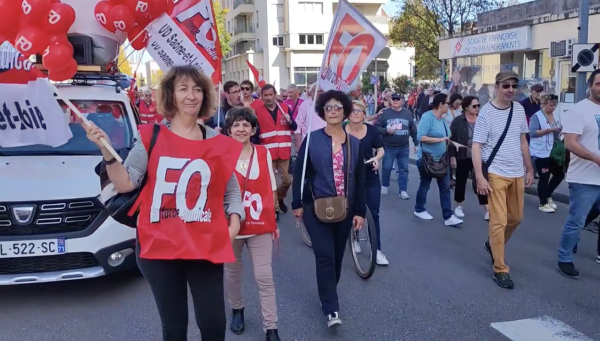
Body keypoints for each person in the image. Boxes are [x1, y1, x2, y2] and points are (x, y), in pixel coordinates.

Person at [84, 65, 245, 340]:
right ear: (171, 95)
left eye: (196, 89)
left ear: (205, 95)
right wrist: (106, 150)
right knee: (174, 328)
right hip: (159, 247)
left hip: (205, 244)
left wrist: (234, 222)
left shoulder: (218, 141)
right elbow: (126, 183)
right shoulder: (151, 136)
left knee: (214, 325)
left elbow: (230, 191)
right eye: (183, 89)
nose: (191, 96)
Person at [292, 90, 366, 328]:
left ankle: (328, 292)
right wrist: (297, 204)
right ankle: (331, 308)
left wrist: (360, 211)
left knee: (336, 257)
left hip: (345, 208)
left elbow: (360, 179)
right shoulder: (312, 139)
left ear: (345, 111)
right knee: (324, 256)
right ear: (322, 112)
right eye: (328, 108)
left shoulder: (354, 144)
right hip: (316, 206)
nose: (333, 111)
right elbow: (300, 174)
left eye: (337, 107)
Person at [472, 70, 534, 290]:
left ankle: (493, 244)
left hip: (516, 172)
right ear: (496, 87)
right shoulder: (486, 113)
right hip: (496, 173)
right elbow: (477, 146)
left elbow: (523, 141)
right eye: (506, 86)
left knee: (516, 218)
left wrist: (529, 169)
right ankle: (500, 269)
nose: (510, 90)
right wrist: (480, 176)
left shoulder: (518, 109)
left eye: (513, 86)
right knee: (498, 221)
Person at [223, 107, 281, 341]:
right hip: (230, 226)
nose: (241, 129)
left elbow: (272, 188)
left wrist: (274, 219)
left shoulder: (263, 153)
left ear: (253, 130)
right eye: (236, 125)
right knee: (233, 273)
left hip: (259, 224)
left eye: (246, 125)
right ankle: (237, 309)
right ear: (228, 130)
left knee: (264, 276)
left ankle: (272, 327)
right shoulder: (220, 153)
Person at [557, 69, 600, 279]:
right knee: (576, 219)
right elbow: (570, 143)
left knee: (588, 215)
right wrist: (595, 158)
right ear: (590, 86)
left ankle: (572, 239)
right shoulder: (579, 110)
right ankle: (564, 258)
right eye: (599, 84)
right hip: (583, 179)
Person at [345, 100, 387, 265]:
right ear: (348, 114)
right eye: (352, 110)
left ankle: (376, 251)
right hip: (349, 178)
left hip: (370, 175)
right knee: (352, 210)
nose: (355, 113)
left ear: (364, 114)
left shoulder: (372, 130)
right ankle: (354, 238)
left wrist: (376, 158)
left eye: (359, 110)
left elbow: (381, 149)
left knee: (374, 213)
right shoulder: (342, 130)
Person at [414, 93, 463, 226]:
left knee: (445, 187)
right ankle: (419, 209)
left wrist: (452, 144)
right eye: (447, 103)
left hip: (442, 159)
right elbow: (420, 137)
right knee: (425, 186)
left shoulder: (442, 119)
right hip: (426, 159)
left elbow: (447, 137)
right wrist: (440, 140)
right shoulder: (427, 117)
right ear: (440, 104)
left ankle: (448, 216)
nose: (449, 105)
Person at [252, 84, 298, 218]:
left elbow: (294, 127)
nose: (268, 98)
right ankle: (275, 208)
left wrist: (290, 121)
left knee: (287, 180)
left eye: (270, 94)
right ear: (261, 96)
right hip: (267, 152)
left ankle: (279, 197)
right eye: (265, 95)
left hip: (284, 151)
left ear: (275, 94)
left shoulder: (284, 108)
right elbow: (255, 132)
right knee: (270, 182)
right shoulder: (257, 111)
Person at [448, 96, 489, 220]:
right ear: (466, 107)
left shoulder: (482, 120)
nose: (477, 108)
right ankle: (459, 206)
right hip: (463, 156)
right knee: (461, 182)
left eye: (478, 105)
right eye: (474, 106)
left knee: (480, 181)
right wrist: (452, 157)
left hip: (479, 157)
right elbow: (451, 140)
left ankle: (487, 209)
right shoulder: (458, 121)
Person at [375, 93, 417, 200]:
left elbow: (413, 129)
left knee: (404, 169)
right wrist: (386, 130)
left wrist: (416, 143)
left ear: (402, 101)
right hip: (389, 146)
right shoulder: (385, 113)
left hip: (404, 147)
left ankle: (402, 190)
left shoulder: (408, 113)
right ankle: (385, 185)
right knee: (387, 167)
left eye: (397, 99)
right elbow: (376, 127)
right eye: (393, 99)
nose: (395, 100)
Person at [529, 94, 564, 213]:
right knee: (544, 176)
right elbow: (532, 133)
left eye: (555, 106)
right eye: (550, 105)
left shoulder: (556, 115)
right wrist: (549, 130)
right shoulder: (536, 117)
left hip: (553, 151)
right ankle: (542, 203)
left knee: (559, 174)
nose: (553, 108)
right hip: (540, 151)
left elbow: (557, 130)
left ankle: (548, 195)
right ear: (544, 104)